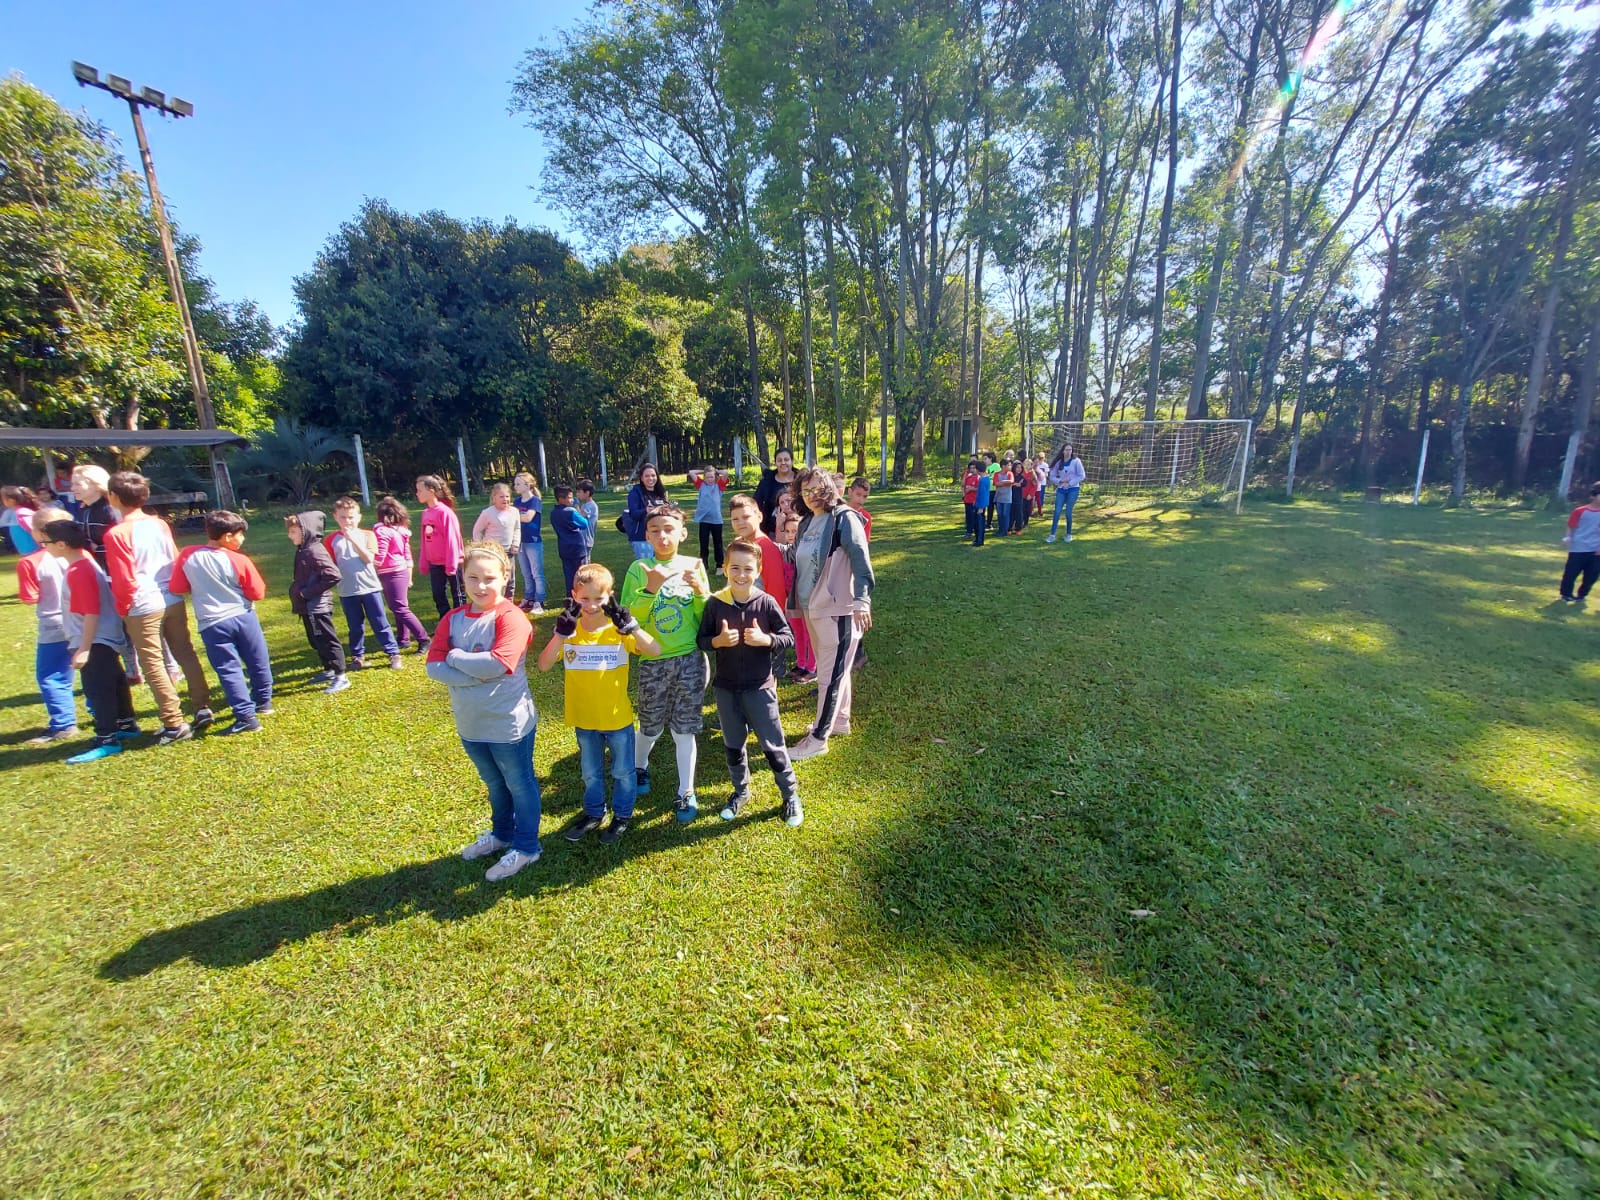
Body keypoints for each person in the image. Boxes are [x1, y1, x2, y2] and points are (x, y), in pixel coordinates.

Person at [427, 541, 542, 882]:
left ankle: (527, 847)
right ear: (462, 577)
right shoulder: (453, 618)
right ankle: (502, 834)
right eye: (473, 577)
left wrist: (455, 658)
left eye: (489, 578)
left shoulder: (511, 617)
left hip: (507, 723)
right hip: (470, 722)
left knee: (519, 784)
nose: (481, 586)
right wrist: (470, 670)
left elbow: (497, 663)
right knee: (494, 783)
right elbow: (433, 667)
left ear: (506, 577)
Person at [537, 563, 662, 844]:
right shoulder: (570, 630)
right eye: (584, 598)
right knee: (590, 774)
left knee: (623, 771)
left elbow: (654, 649)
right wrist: (559, 635)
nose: (591, 605)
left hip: (617, 718)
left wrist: (632, 628)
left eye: (599, 598)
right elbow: (543, 665)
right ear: (573, 595)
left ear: (610, 596)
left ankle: (622, 815)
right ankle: (594, 813)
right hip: (584, 718)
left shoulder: (618, 630)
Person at [697, 539, 803, 826]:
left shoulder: (766, 602)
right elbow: (702, 639)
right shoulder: (715, 604)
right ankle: (741, 791)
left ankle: (790, 795)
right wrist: (717, 641)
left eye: (747, 569)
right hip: (726, 688)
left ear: (757, 571)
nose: (741, 574)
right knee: (733, 745)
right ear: (725, 568)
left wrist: (766, 640)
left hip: (760, 688)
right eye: (735, 568)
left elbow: (787, 637)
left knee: (772, 746)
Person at [104, 470, 214, 743]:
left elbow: (123, 577)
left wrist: (123, 607)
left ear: (114, 497)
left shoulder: (117, 533)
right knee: (185, 652)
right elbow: (174, 558)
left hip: (142, 603)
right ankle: (202, 706)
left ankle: (174, 722)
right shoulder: (159, 524)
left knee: (153, 663)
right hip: (171, 596)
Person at [620, 503, 711, 821]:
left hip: (689, 660)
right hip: (653, 661)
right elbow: (628, 620)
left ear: (683, 533)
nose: (662, 535)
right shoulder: (639, 569)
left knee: (683, 730)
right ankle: (638, 767)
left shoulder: (694, 565)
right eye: (655, 529)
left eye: (669, 529)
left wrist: (701, 593)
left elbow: (705, 619)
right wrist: (649, 589)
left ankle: (686, 792)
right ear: (646, 534)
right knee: (650, 726)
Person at [784, 468, 873, 761]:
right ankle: (839, 721)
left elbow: (861, 559)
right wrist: (760, 544)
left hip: (839, 609)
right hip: (813, 607)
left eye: (816, 488)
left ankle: (818, 738)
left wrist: (862, 600)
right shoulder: (810, 521)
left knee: (829, 676)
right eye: (805, 491)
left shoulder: (844, 518)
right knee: (836, 670)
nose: (811, 496)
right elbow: (794, 554)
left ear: (829, 487)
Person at [40, 520, 139, 764]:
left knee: (98, 689)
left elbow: (91, 612)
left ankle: (106, 738)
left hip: (95, 639)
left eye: (46, 542)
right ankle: (126, 723)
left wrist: (83, 648)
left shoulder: (78, 571)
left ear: (61, 544)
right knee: (114, 681)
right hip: (105, 636)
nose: (44, 547)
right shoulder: (83, 560)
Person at [168, 509, 274, 735]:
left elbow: (177, 587)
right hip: (244, 617)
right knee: (258, 659)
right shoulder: (239, 559)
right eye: (240, 534)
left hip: (212, 623)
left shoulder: (187, 555)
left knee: (229, 669)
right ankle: (263, 702)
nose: (242, 539)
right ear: (227, 536)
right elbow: (257, 592)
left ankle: (246, 716)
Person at [17, 505, 78, 745]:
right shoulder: (79, 553)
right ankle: (106, 715)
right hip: (83, 619)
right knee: (92, 670)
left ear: (37, 533)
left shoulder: (31, 562)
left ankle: (63, 724)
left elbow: (29, 596)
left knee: (52, 675)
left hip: (53, 622)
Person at [326, 497, 403, 671]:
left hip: (370, 587)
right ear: (336, 517)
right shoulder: (331, 540)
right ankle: (357, 656)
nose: (347, 521)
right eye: (343, 517)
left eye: (351, 517)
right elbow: (330, 565)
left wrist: (352, 539)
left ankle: (393, 653)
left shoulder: (368, 535)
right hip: (347, 590)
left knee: (379, 621)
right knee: (355, 625)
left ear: (358, 517)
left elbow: (369, 559)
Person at [286, 510, 349, 694]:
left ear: (306, 531)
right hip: (307, 606)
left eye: (293, 532)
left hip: (317, 606)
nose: (290, 536)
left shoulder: (314, 550)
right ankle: (328, 669)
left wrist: (307, 593)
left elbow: (333, 575)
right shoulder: (303, 550)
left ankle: (341, 676)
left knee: (327, 639)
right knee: (316, 640)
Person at [373, 496, 431, 651]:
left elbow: (380, 555)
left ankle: (423, 638)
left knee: (399, 608)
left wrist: (369, 564)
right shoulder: (401, 532)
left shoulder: (381, 531)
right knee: (400, 606)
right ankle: (403, 638)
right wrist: (409, 575)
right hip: (402, 571)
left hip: (390, 573)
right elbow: (407, 556)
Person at [415, 475, 464, 620]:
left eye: (420, 490)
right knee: (438, 595)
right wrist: (424, 562)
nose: (417, 494)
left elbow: (452, 540)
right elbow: (425, 540)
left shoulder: (445, 512)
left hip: (452, 563)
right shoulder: (425, 514)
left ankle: (461, 622)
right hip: (435, 564)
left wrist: (451, 565)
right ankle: (445, 623)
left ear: (431, 491)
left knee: (458, 595)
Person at [472, 483, 522, 596]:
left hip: (509, 552)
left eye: (507, 496)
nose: (505, 499)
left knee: (510, 580)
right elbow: (477, 530)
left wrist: (515, 544)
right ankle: (495, 603)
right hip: (493, 553)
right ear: (494, 498)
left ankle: (509, 605)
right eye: (501, 497)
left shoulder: (514, 511)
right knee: (495, 579)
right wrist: (481, 547)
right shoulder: (488, 513)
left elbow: (517, 528)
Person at [1559, 481, 1600, 603]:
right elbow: (1571, 526)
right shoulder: (1580, 511)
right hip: (1578, 547)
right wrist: (1567, 538)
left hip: (1596, 550)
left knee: (1592, 575)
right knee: (1571, 573)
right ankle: (1566, 594)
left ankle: (1582, 595)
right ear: (1593, 496)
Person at [550, 484, 593, 596]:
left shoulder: (553, 513)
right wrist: (578, 511)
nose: (572, 499)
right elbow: (584, 524)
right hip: (577, 547)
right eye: (569, 497)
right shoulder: (570, 511)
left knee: (569, 575)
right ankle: (582, 596)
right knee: (580, 574)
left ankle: (570, 597)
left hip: (564, 547)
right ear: (561, 499)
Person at [512, 472, 546, 614]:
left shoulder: (535, 501)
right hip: (520, 542)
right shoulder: (517, 502)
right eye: (515, 484)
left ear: (528, 485)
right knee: (526, 572)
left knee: (536, 572)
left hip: (533, 541)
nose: (515, 486)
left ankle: (540, 600)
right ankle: (529, 597)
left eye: (518, 484)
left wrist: (512, 515)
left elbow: (527, 518)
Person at [688, 464, 730, 574]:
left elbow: (725, 473)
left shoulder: (719, 485)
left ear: (715, 477)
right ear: (704, 478)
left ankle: (720, 566)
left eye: (711, 477)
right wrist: (704, 471)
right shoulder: (701, 485)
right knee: (704, 543)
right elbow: (691, 472)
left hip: (716, 520)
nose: (709, 479)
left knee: (718, 543)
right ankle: (704, 565)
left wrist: (715, 471)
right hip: (704, 520)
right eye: (707, 477)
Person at [71, 465, 117, 566]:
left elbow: (121, 543)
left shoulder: (111, 509)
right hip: (90, 566)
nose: (72, 488)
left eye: (78, 484)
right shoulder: (83, 509)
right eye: (72, 484)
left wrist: (97, 549)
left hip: (111, 568)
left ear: (96, 485)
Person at [622, 464, 668, 560]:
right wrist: (646, 510)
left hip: (659, 535)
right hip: (641, 537)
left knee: (661, 566)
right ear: (641, 478)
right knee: (646, 567)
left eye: (653, 475)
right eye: (647, 476)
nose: (650, 478)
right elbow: (633, 514)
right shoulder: (635, 493)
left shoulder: (660, 492)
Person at [753, 447, 799, 537]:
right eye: (779, 460)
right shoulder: (766, 481)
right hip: (772, 530)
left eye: (786, 459)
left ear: (792, 461)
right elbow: (756, 503)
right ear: (775, 462)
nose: (783, 463)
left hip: (799, 528)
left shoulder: (801, 479)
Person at [1046, 443, 1086, 544]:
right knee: (1057, 511)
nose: (1068, 452)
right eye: (1066, 450)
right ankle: (1052, 535)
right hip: (1061, 489)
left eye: (1070, 450)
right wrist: (1060, 481)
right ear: (1063, 451)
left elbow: (1082, 476)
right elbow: (1052, 476)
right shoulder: (1059, 462)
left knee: (1068, 512)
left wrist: (1070, 482)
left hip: (1073, 489)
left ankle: (1068, 534)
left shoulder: (1076, 461)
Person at [2, 486, 41, 554]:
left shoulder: (21, 513)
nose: (2, 501)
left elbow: (34, 530)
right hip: (28, 552)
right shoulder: (16, 512)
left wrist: (43, 546)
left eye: (3, 499)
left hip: (35, 551)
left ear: (11, 500)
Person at [993, 459, 1015, 538]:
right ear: (1003, 466)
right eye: (1008, 465)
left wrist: (1001, 482)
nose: (1010, 467)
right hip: (999, 497)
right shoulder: (996, 474)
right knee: (1000, 514)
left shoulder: (1010, 473)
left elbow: (1011, 482)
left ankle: (1005, 530)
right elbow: (996, 483)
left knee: (1005, 514)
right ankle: (1000, 529)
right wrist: (1005, 482)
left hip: (1007, 498)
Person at [962, 459, 982, 542]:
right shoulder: (968, 477)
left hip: (975, 500)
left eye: (974, 468)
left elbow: (980, 489)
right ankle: (968, 530)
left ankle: (975, 530)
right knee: (968, 516)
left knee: (974, 516)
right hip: (967, 500)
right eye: (971, 468)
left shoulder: (979, 478)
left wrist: (972, 489)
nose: (972, 469)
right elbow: (963, 485)